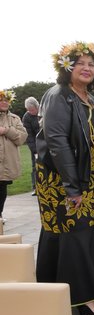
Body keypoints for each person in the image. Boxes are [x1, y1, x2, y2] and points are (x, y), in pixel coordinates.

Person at [35, 41, 94, 315]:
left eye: (91, 64)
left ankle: (60, 291)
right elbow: (57, 142)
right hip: (62, 180)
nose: (86, 68)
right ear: (66, 67)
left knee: (87, 231)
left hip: (91, 178)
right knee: (74, 233)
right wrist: (73, 187)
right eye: (80, 63)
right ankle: (85, 300)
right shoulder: (59, 95)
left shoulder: (89, 97)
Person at [0, 89, 27, 226]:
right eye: (1, 100)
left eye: (6, 100)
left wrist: (6, 131)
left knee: (2, 190)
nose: (4, 102)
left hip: (6, 163)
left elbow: (22, 138)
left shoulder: (15, 119)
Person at [22, 96, 40, 195]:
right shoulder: (26, 117)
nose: (30, 112)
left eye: (32, 110)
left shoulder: (44, 111)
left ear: (37, 107)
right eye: (28, 110)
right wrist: (35, 150)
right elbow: (29, 136)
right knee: (35, 166)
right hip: (36, 144)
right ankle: (36, 188)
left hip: (49, 143)